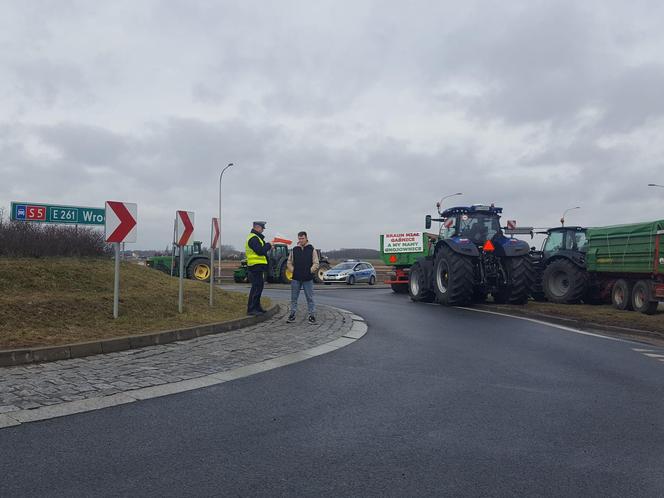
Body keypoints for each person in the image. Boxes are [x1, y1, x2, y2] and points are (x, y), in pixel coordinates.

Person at [286, 231, 319, 324]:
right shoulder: (294, 250)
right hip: (296, 278)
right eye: (299, 238)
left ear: (306, 238)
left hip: (307, 278)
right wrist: (293, 270)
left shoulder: (311, 249)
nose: (301, 240)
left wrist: (309, 271)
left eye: (302, 238)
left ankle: (312, 316)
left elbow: (316, 263)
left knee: (310, 298)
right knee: (294, 298)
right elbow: (289, 262)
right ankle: (292, 315)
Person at [245, 221, 272, 315]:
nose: (263, 229)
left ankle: (257, 307)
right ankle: (252, 309)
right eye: (262, 228)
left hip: (257, 266)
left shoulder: (256, 238)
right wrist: (269, 245)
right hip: (255, 266)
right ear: (257, 227)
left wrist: (268, 246)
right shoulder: (254, 238)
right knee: (256, 287)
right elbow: (260, 251)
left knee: (258, 287)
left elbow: (261, 249)